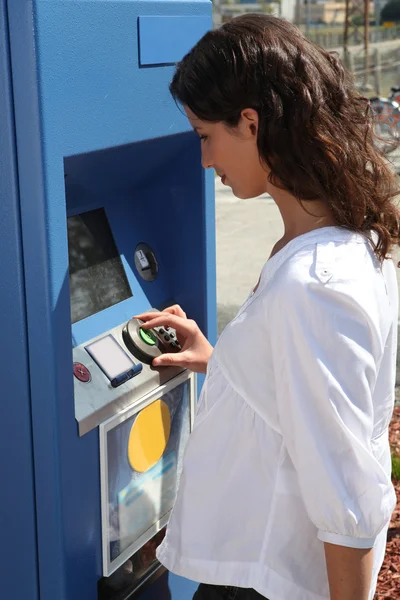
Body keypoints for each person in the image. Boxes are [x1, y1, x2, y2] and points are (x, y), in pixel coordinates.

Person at [135, 14, 400, 600]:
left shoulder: (313, 286)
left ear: (250, 123)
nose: (205, 160)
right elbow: (305, 393)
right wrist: (221, 360)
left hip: (267, 583)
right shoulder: (341, 241)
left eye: (206, 135)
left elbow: (346, 493)